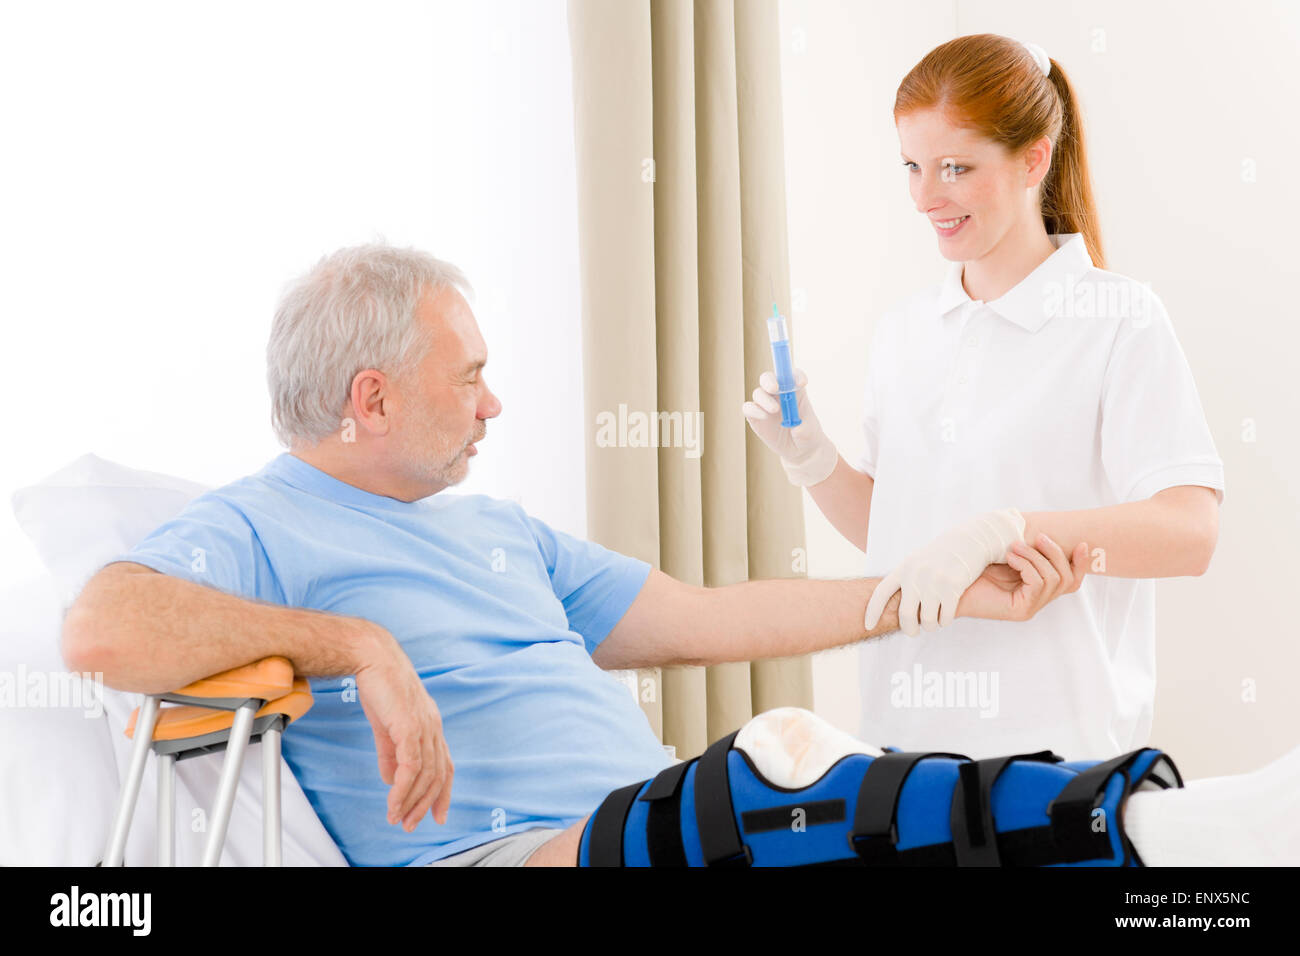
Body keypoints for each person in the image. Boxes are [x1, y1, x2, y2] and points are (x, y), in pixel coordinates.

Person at [62, 243, 1086, 868]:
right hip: (518, 850)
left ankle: (1144, 812)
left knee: (927, 813)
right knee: (784, 783)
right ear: (370, 398)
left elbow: (709, 618)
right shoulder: (258, 524)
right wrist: (361, 644)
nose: (492, 403)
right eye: (467, 378)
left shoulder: (499, 529)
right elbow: (101, 628)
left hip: (656, 828)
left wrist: (939, 592)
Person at [744, 35, 1224, 762]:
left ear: (1034, 158)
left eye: (954, 168)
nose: (924, 196)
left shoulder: (1119, 319)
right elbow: (898, 527)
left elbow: (1190, 533)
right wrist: (813, 460)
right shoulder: (906, 331)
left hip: (1057, 759)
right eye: (911, 166)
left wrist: (1010, 528)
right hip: (903, 750)